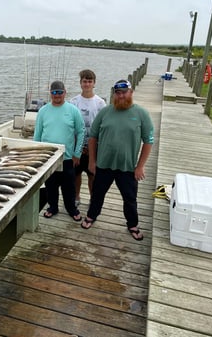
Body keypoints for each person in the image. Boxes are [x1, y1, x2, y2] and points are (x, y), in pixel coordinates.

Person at [81, 79, 154, 241]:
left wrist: (140, 166)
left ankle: (133, 224)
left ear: (131, 92)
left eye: (124, 92)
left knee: (130, 198)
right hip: (103, 165)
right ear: (114, 94)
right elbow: (92, 137)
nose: (121, 96)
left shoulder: (141, 114)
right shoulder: (105, 112)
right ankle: (91, 216)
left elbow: (148, 140)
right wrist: (92, 161)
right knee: (97, 194)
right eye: (118, 92)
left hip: (128, 167)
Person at [33, 80, 85, 222]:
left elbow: (81, 132)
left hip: (67, 157)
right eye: (54, 92)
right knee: (50, 185)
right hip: (48, 157)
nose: (57, 95)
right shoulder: (43, 111)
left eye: (60, 92)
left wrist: (77, 153)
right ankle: (52, 207)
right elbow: (37, 134)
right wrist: (36, 154)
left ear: (65, 93)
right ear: (50, 93)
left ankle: (71, 209)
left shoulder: (73, 110)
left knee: (69, 186)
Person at [70, 69, 106, 207]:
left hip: (94, 147)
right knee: (76, 174)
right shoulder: (73, 102)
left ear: (94, 83)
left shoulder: (100, 103)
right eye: (84, 81)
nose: (87, 84)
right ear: (80, 83)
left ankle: (93, 199)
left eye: (90, 81)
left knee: (92, 175)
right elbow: (70, 126)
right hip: (76, 146)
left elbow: (103, 126)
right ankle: (76, 197)